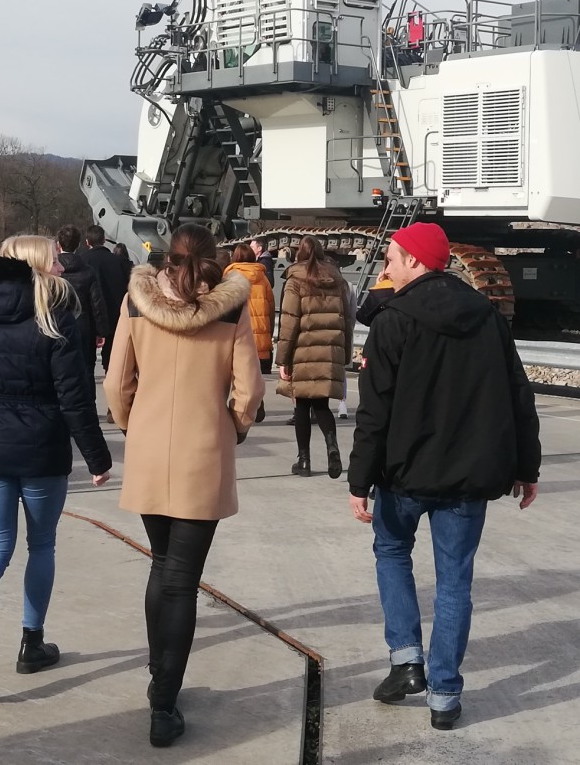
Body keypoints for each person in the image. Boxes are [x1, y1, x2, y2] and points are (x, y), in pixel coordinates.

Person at [348, 222, 541, 731]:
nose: (385, 266)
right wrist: (527, 467)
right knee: (455, 582)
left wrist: (358, 480)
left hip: (405, 473)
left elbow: (375, 411)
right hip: (469, 478)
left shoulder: (393, 321)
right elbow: (519, 393)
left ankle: (406, 660)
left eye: (391, 257)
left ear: (414, 260)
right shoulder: (488, 316)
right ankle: (445, 697)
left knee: (392, 551)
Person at [104, 223, 264, 748]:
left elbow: (115, 380)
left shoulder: (137, 302)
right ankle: (165, 700)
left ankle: (158, 680)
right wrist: (235, 425)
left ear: (167, 255)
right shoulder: (231, 308)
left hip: (151, 445)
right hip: (204, 449)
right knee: (182, 579)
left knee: (161, 566)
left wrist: (133, 423)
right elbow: (248, 388)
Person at [0, 235, 112, 703]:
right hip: (40, 449)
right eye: (54, 258)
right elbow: (75, 400)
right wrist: (97, 457)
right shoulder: (58, 325)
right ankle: (31, 643)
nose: (61, 264)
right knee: (42, 545)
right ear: (38, 266)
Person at [276, 235, 354, 479]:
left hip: (302, 350)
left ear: (299, 253)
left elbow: (289, 321)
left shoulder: (295, 279)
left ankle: (304, 460)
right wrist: (345, 355)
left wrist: (282, 359)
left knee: (301, 405)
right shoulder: (337, 279)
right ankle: (333, 448)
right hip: (329, 350)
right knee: (321, 405)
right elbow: (347, 321)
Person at [57, 224, 109, 412]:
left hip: (57, 325)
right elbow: (97, 303)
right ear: (79, 244)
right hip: (83, 324)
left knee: (60, 369)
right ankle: (89, 408)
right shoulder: (87, 271)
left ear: (58, 245)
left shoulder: (53, 270)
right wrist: (101, 330)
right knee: (87, 369)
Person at [82, 224, 130, 421]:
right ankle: (113, 408)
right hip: (116, 318)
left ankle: (90, 407)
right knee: (113, 366)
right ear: (104, 240)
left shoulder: (83, 261)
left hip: (88, 319)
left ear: (87, 242)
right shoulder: (118, 262)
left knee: (87, 365)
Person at [223, 243, 275, 422]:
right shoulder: (263, 278)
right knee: (256, 372)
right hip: (260, 332)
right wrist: (269, 333)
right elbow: (270, 308)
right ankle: (257, 402)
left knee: (236, 373)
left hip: (238, 332)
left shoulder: (229, 277)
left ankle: (242, 407)